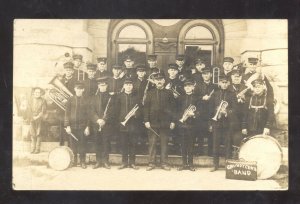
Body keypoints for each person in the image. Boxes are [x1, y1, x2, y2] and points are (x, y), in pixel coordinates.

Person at [143, 73, 176, 171]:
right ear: (155, 82)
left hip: (165, 123)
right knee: (152, 143)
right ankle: (151, 163)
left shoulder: (169, 93)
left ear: (164, 81)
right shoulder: (150, 93)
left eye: (161, 79)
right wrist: (146, 121)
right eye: (157, 80)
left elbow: (174, 108)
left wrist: (173, 121)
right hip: (152, 123)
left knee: (164, 143)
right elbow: (146, 108)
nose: (159, 81)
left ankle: (164, 163)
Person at [209, 75, 237, 172]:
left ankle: (227, 164)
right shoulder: (215, 94)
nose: (224, 84)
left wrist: (226, 112)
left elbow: (235, 109)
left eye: (226, 83)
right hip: (216, 122)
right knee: (215, 143)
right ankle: (215, 164)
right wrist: (211, 122)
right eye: (222, 82)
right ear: (219, 83)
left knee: (228, 144)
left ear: (229, 83)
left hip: (227, 123)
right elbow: (211, 109)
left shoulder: (232, 94)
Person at [116, 78, 140, 170]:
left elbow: (140, 109)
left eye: (130, 85)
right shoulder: (119, 96)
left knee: (133, 144)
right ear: (124, 86)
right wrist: (120, 121)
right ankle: (124, 162)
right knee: (124, 144)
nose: (129, 86)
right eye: (127, 85)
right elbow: (116, 111)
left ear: (132, 86)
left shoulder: (136, 97)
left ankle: (133, 163)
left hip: (133, 124)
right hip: (123, 124)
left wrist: (136, 114)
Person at [64, 81, 90, 168]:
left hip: (82, 127)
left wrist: (87, 127)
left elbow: (88, 115)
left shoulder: (86, 100)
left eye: (81, 89)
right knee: (72, 145)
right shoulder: (70, 99)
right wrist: (67, 126)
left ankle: (82, 162)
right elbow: (66, 114)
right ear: (75, 89)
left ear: (83, 90)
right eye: (77, 89)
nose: (79, 90)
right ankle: (73, 161)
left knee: (82, 144)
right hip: (72, 127)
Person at [90, 76, 114, 169]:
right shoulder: (94, 97)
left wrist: (104, 120)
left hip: (107, 124)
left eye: (104, 85)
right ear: (98, 86)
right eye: (100, 85)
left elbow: (112, 111)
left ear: (106, 86)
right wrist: (97, 120)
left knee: (106, 143)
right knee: (97, 142)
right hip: (97, 124)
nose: (102, 87)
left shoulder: (111, 97)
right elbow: (91, 111)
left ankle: (105, 161)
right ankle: (98, 161)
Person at [176, 79, 199, 171]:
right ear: (184, 88)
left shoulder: (197, 98)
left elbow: (200, 111)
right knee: (183, 144)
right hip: (182, 124)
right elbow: (176, 110)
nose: (187, 88)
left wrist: (193, 114)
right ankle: (184, 164)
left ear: (193, 87)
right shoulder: (180, 98)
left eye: (189, 86)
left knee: (191, 145)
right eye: (186, 86)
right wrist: (181, 117)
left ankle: (191, 164)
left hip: (192, 124)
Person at [194, 67, 217, 156]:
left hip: (211, 111)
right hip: (201, 112)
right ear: (202, 75)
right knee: (200, 131)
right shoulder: (198, 86)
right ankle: (199, 151)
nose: (206, 76)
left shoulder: (215, 86)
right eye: (204, 74)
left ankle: (210, 152)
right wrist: (202, 98)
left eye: (207, 74)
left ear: (211, 75)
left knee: (211, 131)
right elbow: (194, 98)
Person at [227, 69, 248, 159]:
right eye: (235, 76)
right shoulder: (227, 87)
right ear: (231, 77)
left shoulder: (245, 87)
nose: (237, 78)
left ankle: (238, 157)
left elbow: (249, 102)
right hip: (229, 118)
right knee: (228, 139)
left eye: (238, 77)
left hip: (241, 118)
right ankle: (228, 159)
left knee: (238, 139)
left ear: (241, 78)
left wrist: (244, 99)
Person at [26, 87, 47, 154]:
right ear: (33, 93)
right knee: (32, 134)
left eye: (38, 92)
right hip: (32, 118)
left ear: (40, 93)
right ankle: (32, 148)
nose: (37, 93)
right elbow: (28, 109)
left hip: (40, 118)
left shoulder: (43, 100)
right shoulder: (30, 100)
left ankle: (37, 149)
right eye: (36, 92)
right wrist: (32, 117)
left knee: (39, 134)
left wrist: (37, 117)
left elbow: (43, 110)